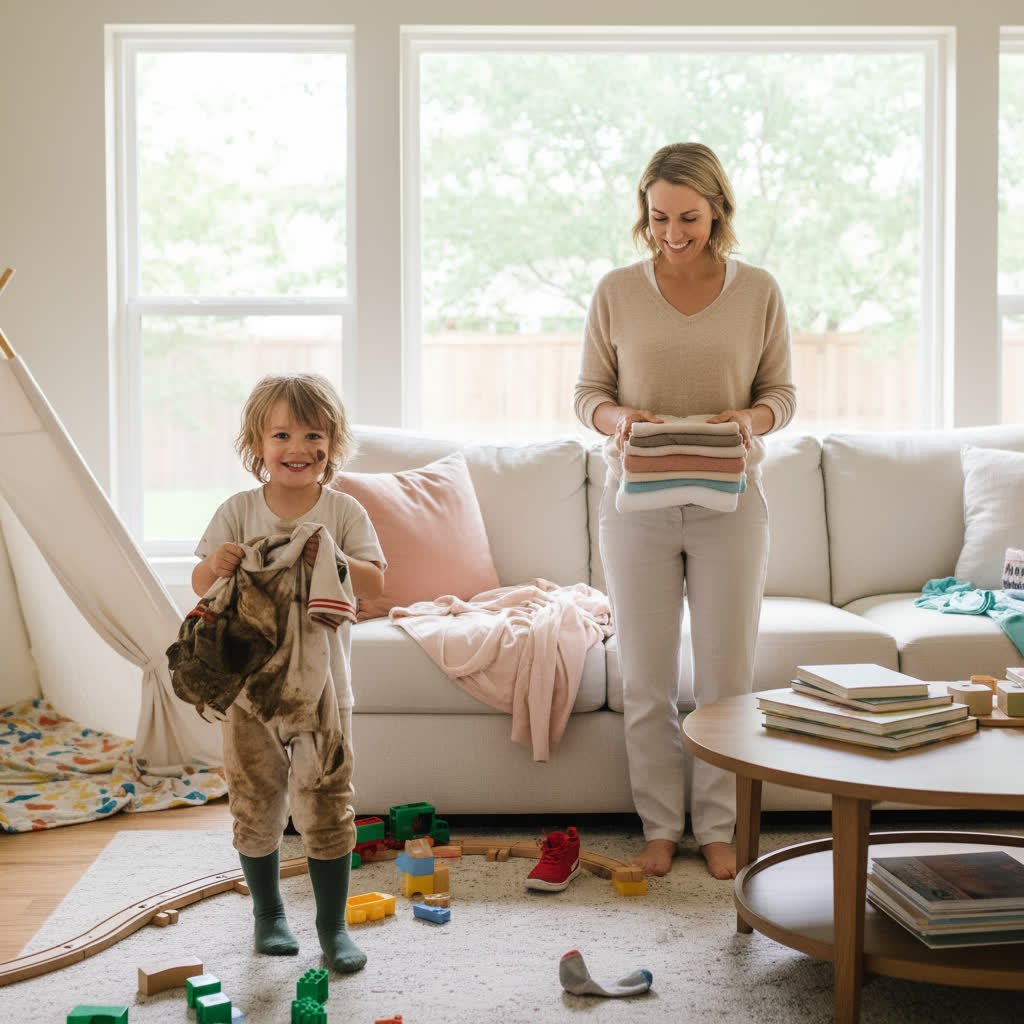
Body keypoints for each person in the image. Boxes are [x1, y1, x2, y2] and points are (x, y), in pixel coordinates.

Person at [573, 142, 796, 880]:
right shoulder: (616, 291)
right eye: (659, 216)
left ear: (718, 210)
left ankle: (720, 827)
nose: (672, 233)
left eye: (689, 218)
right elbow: (588, 395)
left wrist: (749, 420)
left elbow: (782, 395)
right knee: (646, 680)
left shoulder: (758, 291)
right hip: (637, 507)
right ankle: (662, 828)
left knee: (727, 682)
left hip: (731, 506)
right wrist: (619, 420)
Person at [189, 372, 385, 971]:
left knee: (327, 799)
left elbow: (376, 581)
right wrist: (219, 563)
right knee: (254, 799)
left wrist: (331, 554)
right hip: (248, 690)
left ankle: (332, 927)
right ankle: (269, 913)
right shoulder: (238, 510)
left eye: (313, 435)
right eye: (281, 435)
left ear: (333, 443)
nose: (297, 448)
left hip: (324, 690)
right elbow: (199, 585)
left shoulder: (342, 511)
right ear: (257, 444)